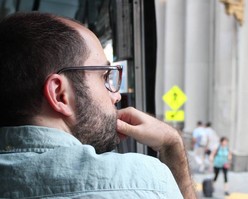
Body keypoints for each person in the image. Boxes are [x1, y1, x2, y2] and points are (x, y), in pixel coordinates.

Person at [0, 12, 196, 198]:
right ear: (60, 95)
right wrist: (172, 145)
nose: (116, 96)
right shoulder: (147, 182)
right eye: (104, 77)